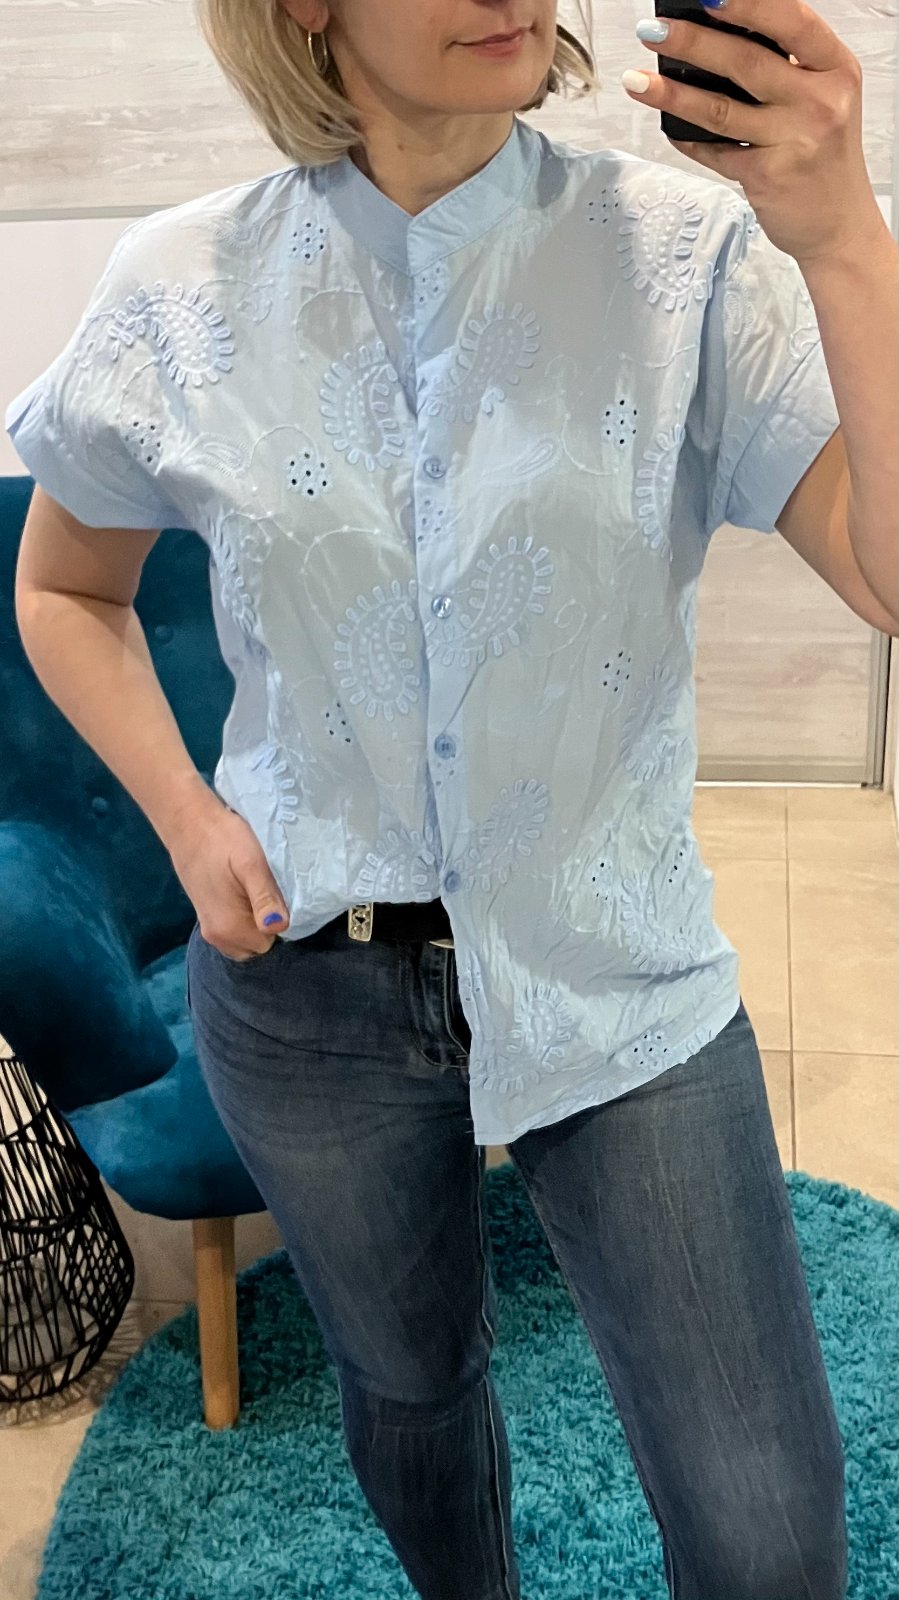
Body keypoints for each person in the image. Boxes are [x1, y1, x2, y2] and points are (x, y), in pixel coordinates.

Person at [8, 2, 850, 1595]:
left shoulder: (680, 260)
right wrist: (188, 817)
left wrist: (847, 242)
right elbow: (64, 588)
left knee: (765, 1524)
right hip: (305, 990)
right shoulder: (181, 290)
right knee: (411, 1407)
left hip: (618, 964)